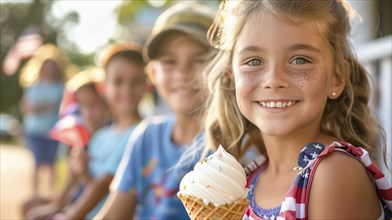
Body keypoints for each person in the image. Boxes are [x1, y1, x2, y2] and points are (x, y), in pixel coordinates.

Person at [202, 0, 392, 219]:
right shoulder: (247, 178)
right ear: (232, 77)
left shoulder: (334, 172)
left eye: (300, 60)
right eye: (254, 61)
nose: (273, 81)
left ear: (337, 77)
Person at [94, 2, 215, 219]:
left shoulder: (235, 147)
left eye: (199, 60)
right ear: (152, 73)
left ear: (224, 67)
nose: (183, 73)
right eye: (170, 61)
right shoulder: (146, 136)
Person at [50, 43, 147, 220]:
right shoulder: (100, 136)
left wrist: (67, 215)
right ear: (104, 87)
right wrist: (81, 171)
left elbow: (103, 187)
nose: (127, 90)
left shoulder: (145, 134)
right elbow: (90, 185)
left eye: (136, 82)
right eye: (118, 82)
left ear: (147, 85)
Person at [22, 67, 110, 220]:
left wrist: (83, 173)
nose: (88, 113)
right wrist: (56, 206)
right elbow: (70, 184)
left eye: (95, 105)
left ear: (107, 103)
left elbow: (102, 193)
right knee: (29, 207)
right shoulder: (83, 140)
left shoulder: (109, 139)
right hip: (74, 204)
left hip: (88, 210)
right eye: (82, 106)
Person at [21, 57, 65, 197]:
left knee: (52, 163)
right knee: (37, 162)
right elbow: (27, 107)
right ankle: (35, 194)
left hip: (54, 131)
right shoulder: (33, 86)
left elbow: (58, 107)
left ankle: (51, 193)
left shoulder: (61, 87)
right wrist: (47, 106)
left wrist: (40, 107)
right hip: (35, 130)